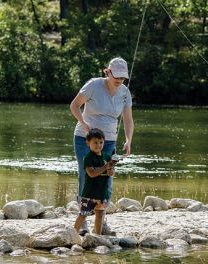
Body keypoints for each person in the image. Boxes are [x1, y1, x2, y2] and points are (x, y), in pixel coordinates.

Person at [70, 57, 134, 234]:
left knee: (107, 177)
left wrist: (128, 140)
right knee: (86, 175)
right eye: (117, 76)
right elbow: (74, 106)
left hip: (109, 141)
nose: (119, 80)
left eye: (123, 78)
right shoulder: (93, 85)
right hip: (85, 138)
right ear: (108, 72)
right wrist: (83, 123)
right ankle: (82, 220)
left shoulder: (124, 93)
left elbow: (128, 120)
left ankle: (101, 221)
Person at [73, 128, 115, 235]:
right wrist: (105, 166)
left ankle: (97, 235)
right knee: (83, 214)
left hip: (101, 194)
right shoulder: (88, 158)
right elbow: (91, 173)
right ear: (88, 143)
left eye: (101, 142)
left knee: (100, 214)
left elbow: (110, 173)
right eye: (95, 142)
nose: (98, 145)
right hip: (89, 194)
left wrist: (111, 168)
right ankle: (73, 234)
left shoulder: (106, 156)